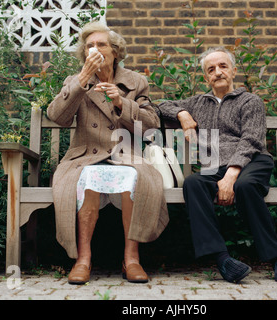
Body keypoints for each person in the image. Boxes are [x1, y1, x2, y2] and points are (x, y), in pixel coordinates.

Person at [159, 47, 277, 283]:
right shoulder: (198, 103)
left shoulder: (250, 101)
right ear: (206, 78)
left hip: (253, 161)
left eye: (223, 66)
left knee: (244, 186)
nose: (218, 72)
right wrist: (182, 113)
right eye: (211, 69)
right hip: (216, 167)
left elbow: (251, 139)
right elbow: (158, 106)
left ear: (233, 71)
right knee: (193, 183)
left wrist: (231, 175)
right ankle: (222, 259)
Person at [47, 21, 169, 285]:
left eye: (101, 44)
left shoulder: (136, 82)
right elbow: (57, 117)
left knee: (133, 176)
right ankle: (83, 260)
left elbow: (150, 126)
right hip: (85, 155)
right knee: (88, 176)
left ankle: (132, 259)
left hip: (125, 154)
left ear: (115, 51)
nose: (95, 49)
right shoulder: (76, 81)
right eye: (89, 46)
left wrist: (120, 102)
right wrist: (80, 82)